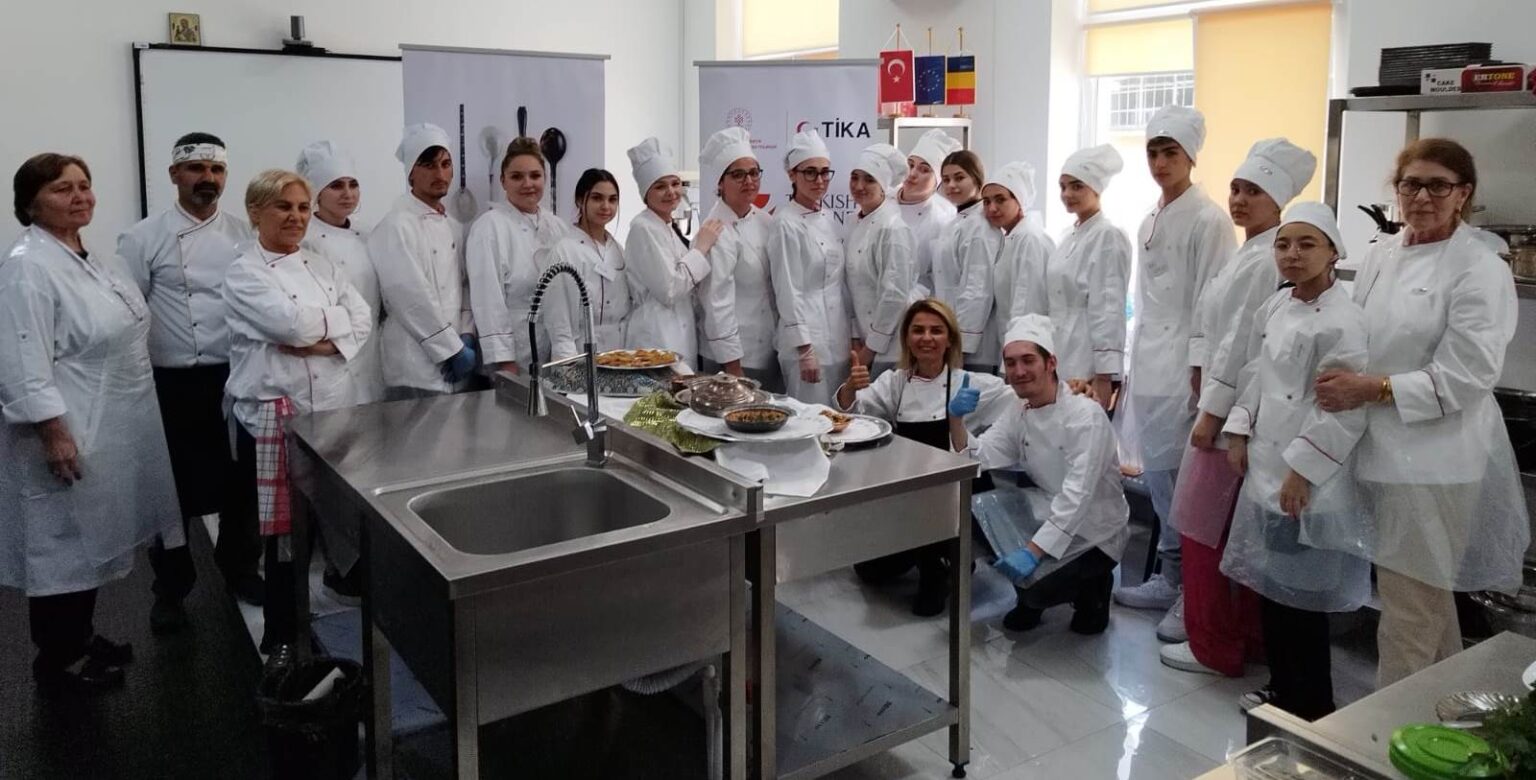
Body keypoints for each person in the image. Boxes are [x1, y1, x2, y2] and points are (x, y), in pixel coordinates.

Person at [1314, 139, 1529, 687]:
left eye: (1439, 185)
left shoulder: (1479, 266)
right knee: (1423, 599)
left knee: (1409, 612)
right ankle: (1447, 710)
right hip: (1381, 446)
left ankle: (1385, 731)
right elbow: (1359, 334)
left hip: (1437, 460)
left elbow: (1467, 375)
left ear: (1464, 194)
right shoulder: (1385, 253)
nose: (1423, 197)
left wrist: (1370, 388)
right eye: (1411, 184)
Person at [2, 153, 179, 694]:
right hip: (67, 427)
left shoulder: (87, 256)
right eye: (62, 189)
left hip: (110, 424)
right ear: (31, 203)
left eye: (84, 185)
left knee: (92, 541)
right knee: (62, 546)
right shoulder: (28, 266)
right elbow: (22, 358)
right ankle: (57, 662)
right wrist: (52, 432)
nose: (79, 196)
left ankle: (79, 637)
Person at [1161, 138, 1315, 674]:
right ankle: (1245, 638)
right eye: (1236, 188)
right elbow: (1214, 328)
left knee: (1200, 528)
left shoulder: (1265, 258)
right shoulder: (1250, 252)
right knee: (1237, 532)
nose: (1240, 200)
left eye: (1254, 192)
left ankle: (1213, 646)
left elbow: (1239, 345)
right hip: (1233, 408)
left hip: (1230, 415)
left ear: (1279, 201)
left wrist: (1211, 416)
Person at [1221, 203, 1372, 719]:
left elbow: (1341, 410)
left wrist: (1302, 472)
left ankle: (1311, 703)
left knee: (1302, 599)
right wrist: (1239, 430)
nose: (1292, 254)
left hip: (1308, 477)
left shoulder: (1345, 321)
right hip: (1266, 464)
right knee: (1273, 587)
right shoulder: (1276, 307)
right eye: (1284, 244)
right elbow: (1257, 375)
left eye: (1307, 244)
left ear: (1333, 252)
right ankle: (1281, 688)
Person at [223, 169, 373, 654]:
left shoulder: (322, 265)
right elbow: (290, 325)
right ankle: (282, 638)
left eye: (303, 207)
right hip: (275, 417)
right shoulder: (243, 272)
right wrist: (332, 329)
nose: (296, 217)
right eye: (283, 207)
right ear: (255, 212)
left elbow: (363, 319)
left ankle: (329, 604)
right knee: (285, 537)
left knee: (336, 515)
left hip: (330, 409)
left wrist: (321, 342)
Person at [118, 132, 260, 631]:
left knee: (241, 479)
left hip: (234, 377)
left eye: (216, 170)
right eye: (197, 169)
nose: (207, 179)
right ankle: (171, 588)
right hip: (172, 382)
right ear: (175, 174)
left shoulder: (245, 234)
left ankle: (240, 568)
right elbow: (129, 314)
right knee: (171, 489)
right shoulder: (143, 238)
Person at [1113, 106, 1236, 623]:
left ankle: (1190, 590)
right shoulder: (1150, 217)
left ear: (1191, 157)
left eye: (1171, 153)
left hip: (1185, 370)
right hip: (1149, 362)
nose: (1160, 163)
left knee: (1188, 486)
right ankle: (1171, 577)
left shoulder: (1210, 220)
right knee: (1161, 480)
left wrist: (1201, 369)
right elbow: (1145, 301)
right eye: (1153, 153)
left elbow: (1214, 302)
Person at [950, 314, 1130, 635]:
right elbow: (979, 457)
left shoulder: (1084, 416)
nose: (1019, 371)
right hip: (1047, 507)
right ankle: (1031, 593)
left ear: (1051, 363)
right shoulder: (1019, 410)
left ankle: (1093, 589)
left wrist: (1032, 553)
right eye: (1011, 363)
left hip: (1095, 529)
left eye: (1028, 360)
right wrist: (956, 421)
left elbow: (1077, 496)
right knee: (977, 513)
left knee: (1037, 588)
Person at [836, 299, 1015, 616]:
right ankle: (939, 556)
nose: (926, 338)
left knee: (928, 604)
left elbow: (1025, 395)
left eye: (936, 331)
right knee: (870, 571)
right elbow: (851, 414)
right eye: (918, 330)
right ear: (907, 338)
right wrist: (850, 387)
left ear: (950, 340)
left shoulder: (968, 383)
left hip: (956, 494)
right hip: (911, 490)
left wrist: (1072, 388)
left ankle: (945, 561)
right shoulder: (896, 383)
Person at [368, 123, 477, 399]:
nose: (440, 174)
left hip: (455, 359)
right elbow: (410, 296)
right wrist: (451, 349)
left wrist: (467, 334)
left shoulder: (453, 226)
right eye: (428, 166)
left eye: (445, 164)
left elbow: (464, 284)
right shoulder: (395, 226)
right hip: (413, 365)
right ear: (411, 173)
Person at [1035, 145, 1130, 410]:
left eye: (1077, 186)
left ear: (1096, 189)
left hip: (1086, 357)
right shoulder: (1069, 236)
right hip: (1059, 351)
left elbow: (1108, 307)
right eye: (1063, 186)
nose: (1067, 194)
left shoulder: (1107, 235)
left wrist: (1104, 375)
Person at [467, 137, 569, 376]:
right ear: (503, 181)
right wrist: (504, 361)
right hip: (513, 354)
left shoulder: (557, 227)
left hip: (554, 351)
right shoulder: (489, 227)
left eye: (535, 175)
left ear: (545, 178)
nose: (527, 184)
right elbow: (487, 299)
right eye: (517, 177)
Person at [297, 140, 383, 404]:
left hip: (370, 355)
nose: (348, 194)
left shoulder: (369, 234)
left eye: (353, 184)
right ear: (316, 193)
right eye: (336, 186)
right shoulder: (304, 240)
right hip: (327, 359)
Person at [767, 130, 848, 406]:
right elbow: (787, 289)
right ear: (792, 175)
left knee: (841, 417)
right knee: (811, 419)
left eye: (825, 172)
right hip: (806, 345)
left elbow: (839, 283)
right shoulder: (785, 223)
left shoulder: (829, 217)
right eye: (810, 172)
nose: (820, 180)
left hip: (837, 338)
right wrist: (805, 349)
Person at [624, 137, 722, 365]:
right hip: (656, 335)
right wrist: (701, 248)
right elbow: (670, 289)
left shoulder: (667, 226)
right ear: (645, 193)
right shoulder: (643, 228)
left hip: (680, 335)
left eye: (675, 184)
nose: (671, 192)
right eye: (660, 186)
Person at [697, 127, 781, 389]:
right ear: (720, 183)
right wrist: (732, 364)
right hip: (732, 358)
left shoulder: (765, 221)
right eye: (738, 174)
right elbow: (716, 302)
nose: (749, 181)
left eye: (754, 172)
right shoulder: (715, 229)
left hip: (768, 348)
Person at [542, 168, 631, 358]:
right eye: (597, 198)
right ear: (579, 200)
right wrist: (569, 366)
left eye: (612, 200)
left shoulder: (618, 250)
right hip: (579, 352)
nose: (606, 206)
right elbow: (559, 321)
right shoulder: (564, 251)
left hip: (618, 352)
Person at [845, 143, 917, 375]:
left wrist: (871, 348)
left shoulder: (893, 228)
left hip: (891, 346)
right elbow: (851, 286)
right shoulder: (853, 221)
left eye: (869, 179)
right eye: (855, 177)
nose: (859, 186)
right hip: (864, 339)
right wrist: (855, 336)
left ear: (883, 186)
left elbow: (894, 294)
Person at [977, 162, 1056, 368]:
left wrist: (1013, 363)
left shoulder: (1029, 239)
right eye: (986, 201)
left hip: (1026, 352)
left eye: (1000, 199)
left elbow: (1027, 305)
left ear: (1019, 201)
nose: (992, 208)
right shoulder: (1012, 237)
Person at [931, 150, 1001, 372]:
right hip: (952, 333)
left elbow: (977, 289)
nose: (951, 185)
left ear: (977, 178)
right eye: (946, 179)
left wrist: (960, 345)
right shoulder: (958, 221)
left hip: (974, 348)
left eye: (959, 177)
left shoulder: (980, 226)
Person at [899, 129, 962, 297]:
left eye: (924, 170)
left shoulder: (944, 218)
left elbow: (941, 277)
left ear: (938, 181)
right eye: (910, 165)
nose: (912, 174)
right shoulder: (883, 199)